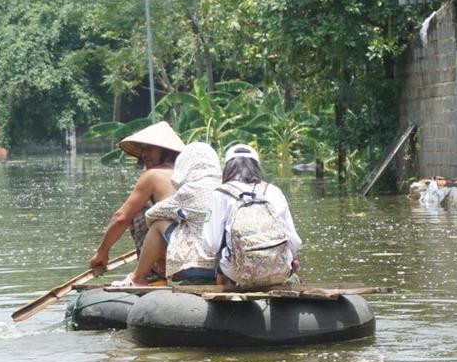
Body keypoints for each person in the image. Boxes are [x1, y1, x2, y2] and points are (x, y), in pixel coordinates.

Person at [109, 142, 221, 287]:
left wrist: (163, 248)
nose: (144, 154)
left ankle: (138, 278)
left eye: (149, 148)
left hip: (196, 266)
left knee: (158, 225)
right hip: (223, 268)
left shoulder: (187, 191)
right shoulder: (225, 190)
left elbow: (151, 215)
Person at [88, 121, 184, 272]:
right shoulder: (190, 175)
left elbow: (121, 218)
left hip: (173, 253)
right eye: (143, 149)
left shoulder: (153, 175)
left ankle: (150, 271)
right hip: (192, 251)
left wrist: (102, 253)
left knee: (140, 210)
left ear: (166, 151)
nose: (145, 154)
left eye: (150, 149)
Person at [203, 143, 302, 288]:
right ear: (256, 166)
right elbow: (294, 242)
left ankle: (225, 295)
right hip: (279, 269)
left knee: (221, 252)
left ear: (228, 167)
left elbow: (212, 244)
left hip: (237, 272)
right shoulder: (274, 191)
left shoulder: (219, 194)